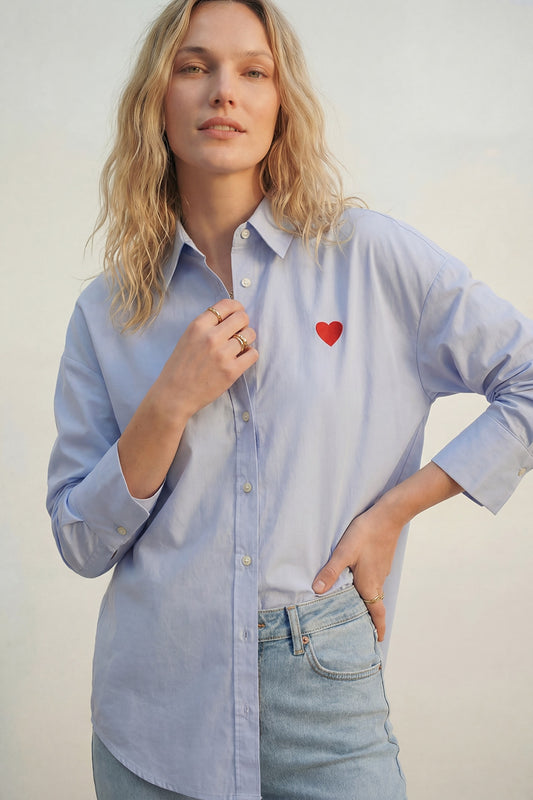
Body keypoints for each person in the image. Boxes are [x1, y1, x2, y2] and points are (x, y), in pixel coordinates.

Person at [46, 1, 533, 798]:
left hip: (323, 687)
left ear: (280, 103)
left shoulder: (367, 258)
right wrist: (168, 402)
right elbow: (78, 539)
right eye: (193, 66)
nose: (222, 93)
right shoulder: (107, 312)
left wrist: (389, 515)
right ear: (156, 101)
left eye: (252, 71)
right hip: (156, 707)